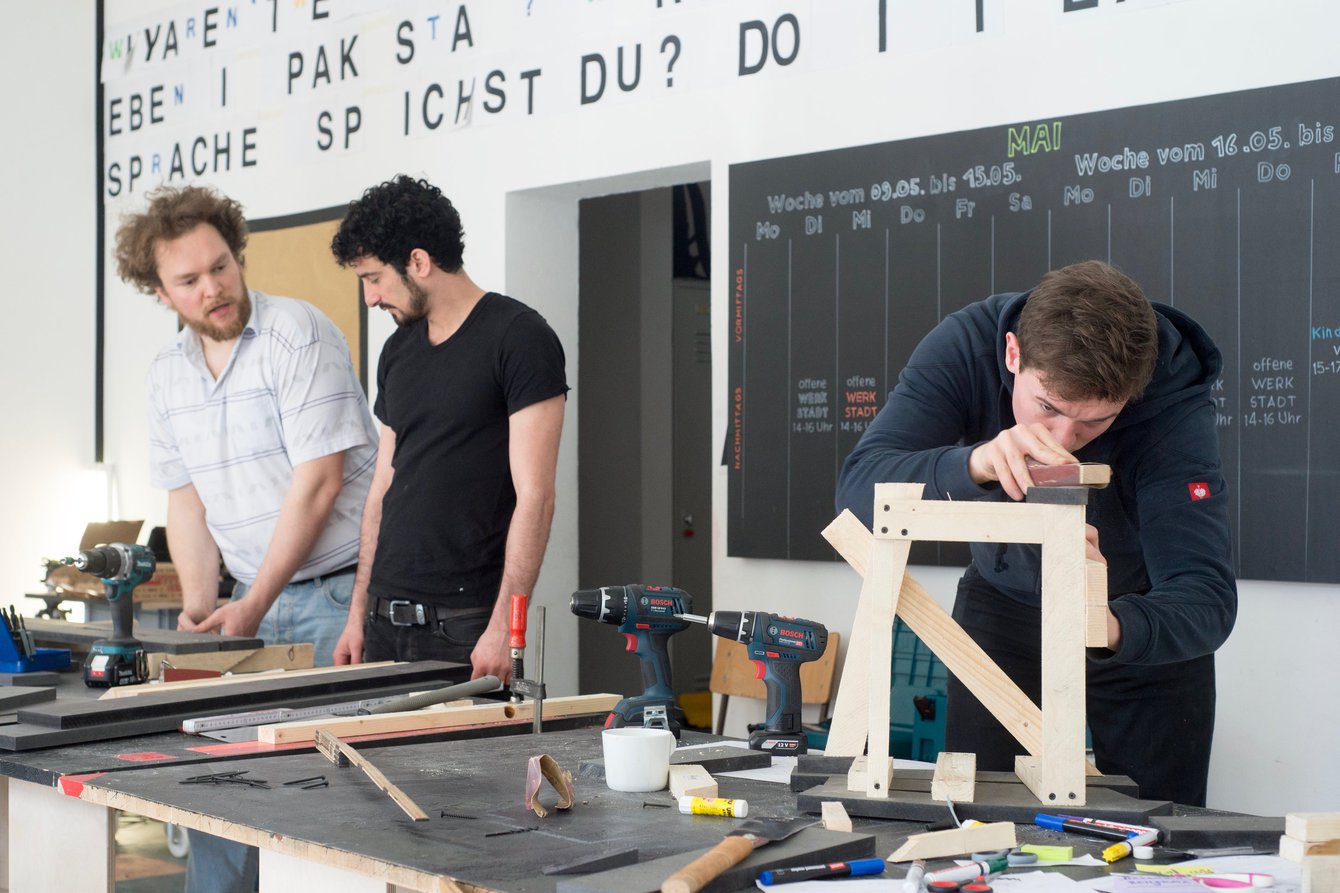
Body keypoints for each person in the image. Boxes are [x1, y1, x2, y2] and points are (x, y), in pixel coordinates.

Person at [835, 260, 1236, 807]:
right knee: (979, 819)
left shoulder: (1175, 405)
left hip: (1136, 620)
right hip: (1005, 606)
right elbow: (859, 492)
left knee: (1158, 833)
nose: (1065, 439)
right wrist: (974, 463)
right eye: (1048, 408)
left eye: (1096, 421)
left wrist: (1103, 620)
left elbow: (1206, 600)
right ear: (1012, 353)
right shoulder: (963, 347)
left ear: (1133, 396)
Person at [115, 184, 378, 891]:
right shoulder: (167, 376)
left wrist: (252, 603)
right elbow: (187, 498)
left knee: (324, 805)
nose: (214, 288)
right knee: (217, 789)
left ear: (238, 255)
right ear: (162, 293)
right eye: (190, 280)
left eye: (221, 267)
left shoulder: (298, 334)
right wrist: (203, 614)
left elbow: (319, 484)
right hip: (245, 611)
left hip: (333, 599)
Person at [329, 175, 568, 680]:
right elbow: (382, 490)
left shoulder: (520, 338)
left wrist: (506, 627)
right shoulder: (398, 350)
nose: (370, 298)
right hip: (380, 620)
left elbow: (537, 497)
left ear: (418, 262)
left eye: (373, 278)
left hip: (466, 625)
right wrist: (355, 614)